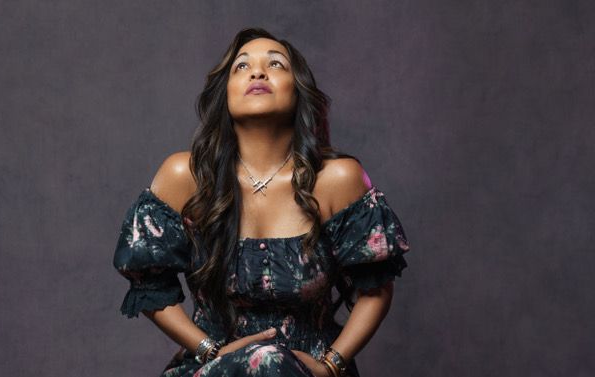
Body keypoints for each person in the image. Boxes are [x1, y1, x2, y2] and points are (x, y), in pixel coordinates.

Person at [112, 27, 411, 377]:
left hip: (311, 371)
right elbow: (148, 283)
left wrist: (331, 365)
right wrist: (209, 350)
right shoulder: (186, 176)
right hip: (214, 369)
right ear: (224, 94)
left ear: (298, 91)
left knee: (273, 362)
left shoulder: (337, 179)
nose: (257, 72)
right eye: (241, 67)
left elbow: (376, 289)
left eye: (276, 64)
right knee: (265, 359)